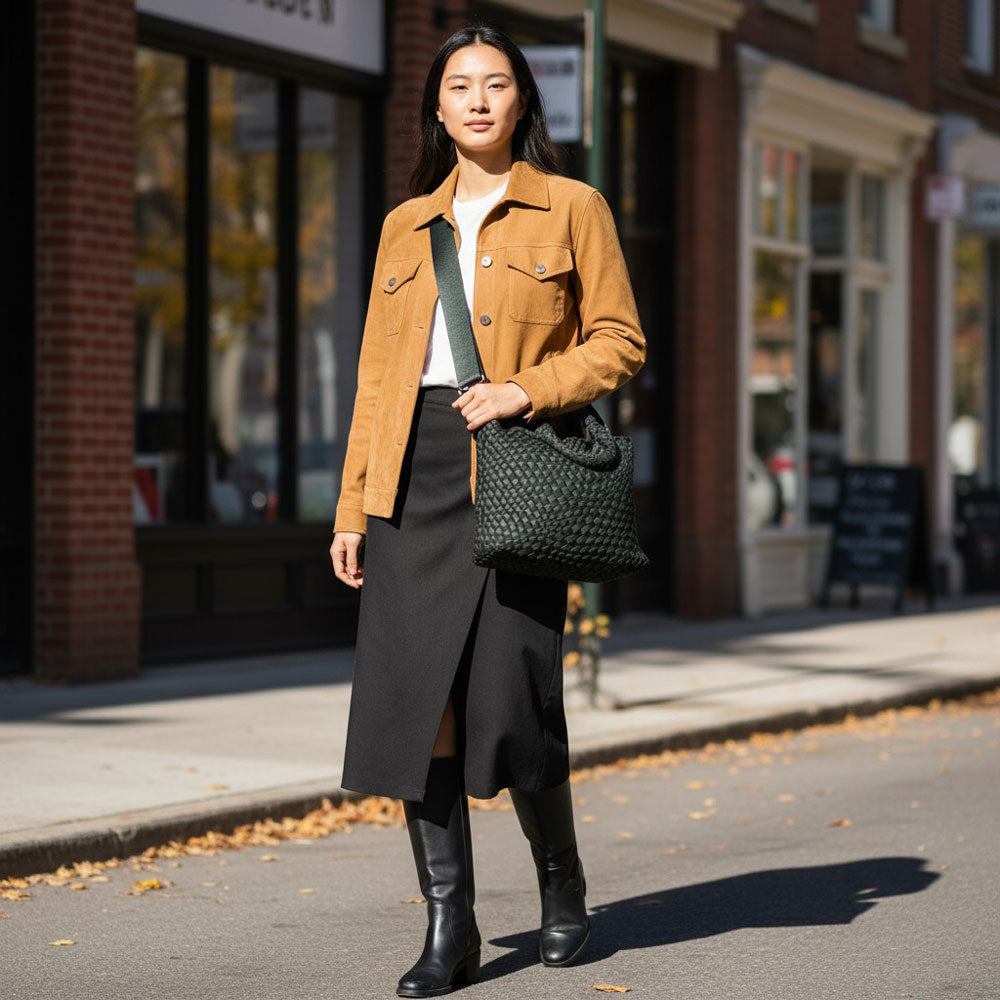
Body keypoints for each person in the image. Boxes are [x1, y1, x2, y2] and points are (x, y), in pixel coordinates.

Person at [329, 20, 646, 998]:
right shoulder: (403, 225)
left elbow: (620, 341)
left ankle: (561, 884)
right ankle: (449, 927)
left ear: (521, 100)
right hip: (409, 479)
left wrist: (526, 389)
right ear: (435, 105)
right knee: (417, 712)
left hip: (512, 466)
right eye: (459, 84)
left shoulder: (571, 207)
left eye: (495, 82)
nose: (476, 98)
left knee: (511, 703)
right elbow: (378, 378)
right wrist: (350, 506)